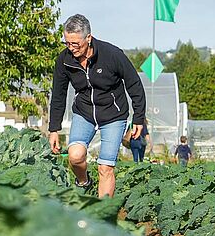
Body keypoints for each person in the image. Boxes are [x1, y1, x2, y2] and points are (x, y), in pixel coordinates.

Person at [47, 14, 145, 198]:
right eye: (67, 43)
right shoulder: (64, 59)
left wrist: (138, 117)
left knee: (105, 167)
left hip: (113, 115)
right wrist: (54, 129)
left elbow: (134, 84)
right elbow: (58, 94)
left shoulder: (112, 55)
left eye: (75, 44)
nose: (71, 48)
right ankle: (84, 182)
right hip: (84, 113)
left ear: (88, 38)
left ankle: (102, 216)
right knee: (75, 156)